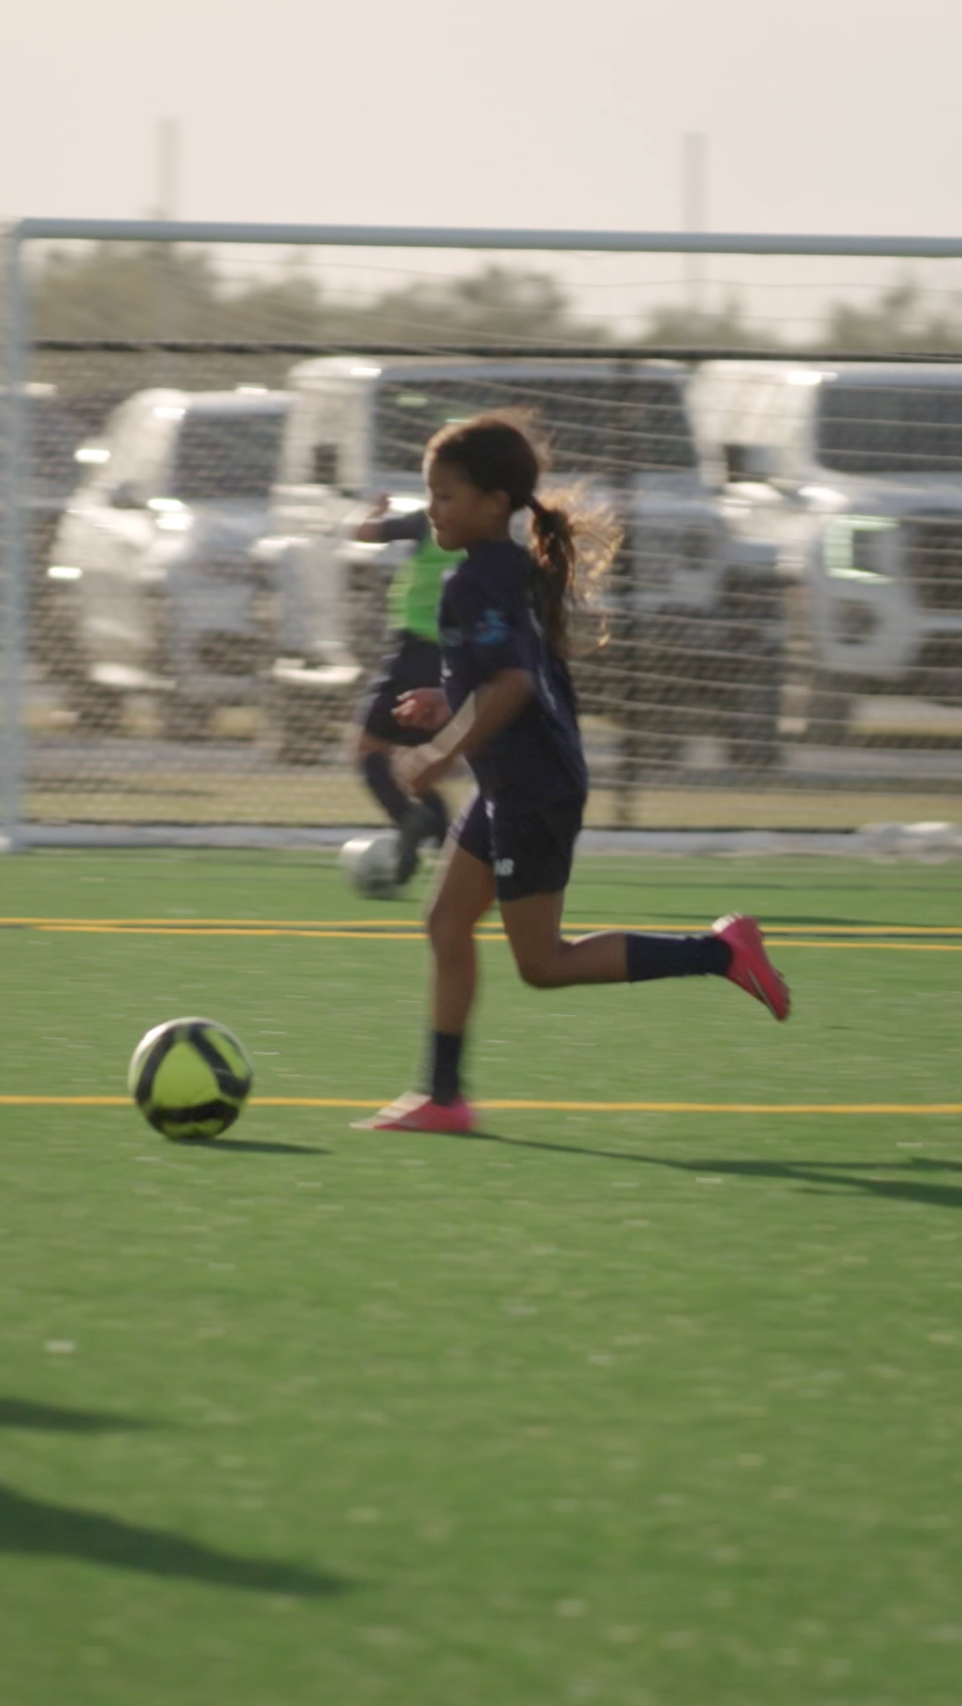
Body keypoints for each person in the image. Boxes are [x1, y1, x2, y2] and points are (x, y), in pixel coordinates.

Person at [354, 416, 790, 1135]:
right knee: (445, 920)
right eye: (430, 494)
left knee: (545, 963)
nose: (433, 510)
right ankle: (442, 1097)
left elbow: (513, 687)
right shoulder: (509, 567)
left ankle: (722, 952)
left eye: (447, 496)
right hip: (517, 783)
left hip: (531, 790)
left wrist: (440, 753)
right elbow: (502, 676)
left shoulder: (478, 580)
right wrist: (448, 701)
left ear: (496, 503)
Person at [353, 498, 463, 882]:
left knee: (369, 748)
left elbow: (363, 533)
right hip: (457, 660)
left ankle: (409, 817)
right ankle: (455, 859)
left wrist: (373, 510)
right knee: (421, 762)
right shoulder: (481, 533)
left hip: (414, 650)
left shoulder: (426, 522)